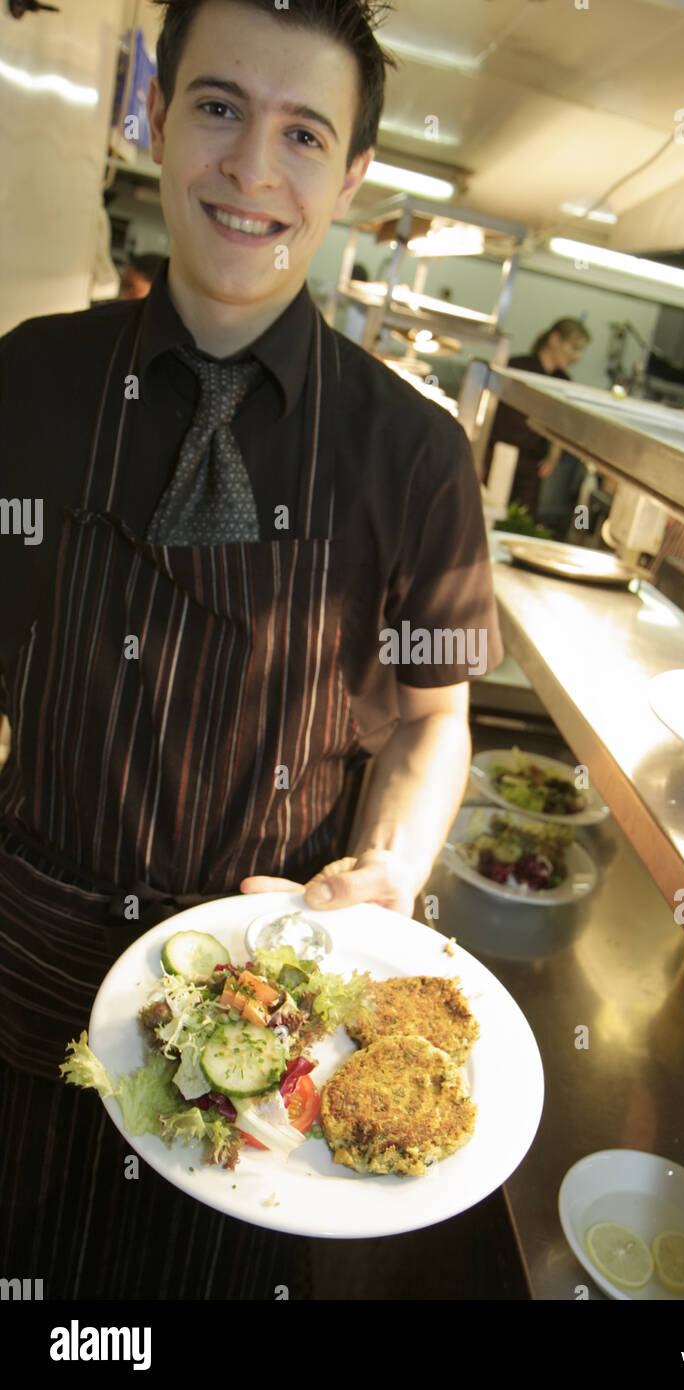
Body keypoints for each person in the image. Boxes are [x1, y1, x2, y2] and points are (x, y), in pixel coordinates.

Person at [0, 0, 501, 1299]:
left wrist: (389, 869)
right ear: (159, 118)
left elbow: (431, 715)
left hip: (264, 1006)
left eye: (301, 133)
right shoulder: (29, 386)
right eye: (219, 108)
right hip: (23, 966)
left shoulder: (414, 454)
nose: (249, 169)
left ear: (347, 178)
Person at [485, 317, 590, 520]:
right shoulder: (515, 367)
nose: (577, 357)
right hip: (497, 456)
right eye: (574, 348)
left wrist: (553, 455)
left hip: (532, 466)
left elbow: (561, 424)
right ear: (554, 339)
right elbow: (489, 411)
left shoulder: (564, 382)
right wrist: (478, 455)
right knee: (488, 513)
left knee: (521, 521)